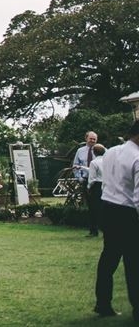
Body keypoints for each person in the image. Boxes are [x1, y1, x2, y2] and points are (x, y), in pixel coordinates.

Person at [94, 120, 139, 318]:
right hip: (126, 212)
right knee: (133, 263)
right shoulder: (137, 158)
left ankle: (103, 303)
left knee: (108, 259)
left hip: (107, 207)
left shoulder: (111, 151)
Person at [87, 142, 108, 238]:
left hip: (97, 186)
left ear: (94, 153)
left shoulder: (94, 162)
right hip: (107, 185)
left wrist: (88, 187)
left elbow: (92, 178)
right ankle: (106, 230)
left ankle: (94, 230)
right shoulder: (107, 161)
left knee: (93, 209)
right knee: (105, 209)